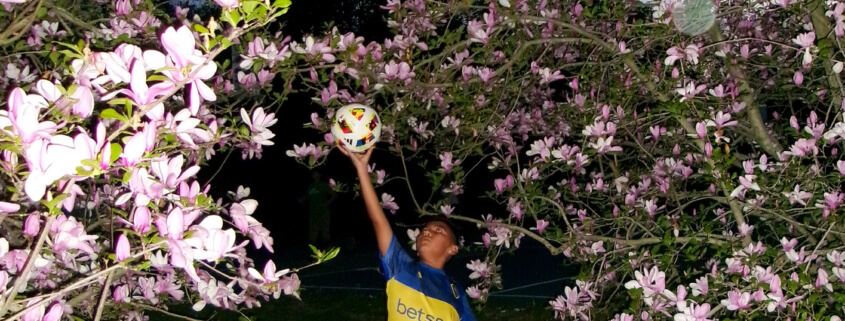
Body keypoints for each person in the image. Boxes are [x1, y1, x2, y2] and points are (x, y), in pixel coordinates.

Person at [338, 145, 477, 321]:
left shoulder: (455, 292)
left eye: (438, 230)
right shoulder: (400, 266)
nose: (427, 232)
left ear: (453, 249)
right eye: (425, 230)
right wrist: (361, 169)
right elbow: (379, 221)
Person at [306, 169, 336, 247]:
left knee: (325, 232)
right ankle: (313, 256)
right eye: (313, 174)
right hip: (313, 213)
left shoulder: (324, 185)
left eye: (316, 174)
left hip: (324, 212)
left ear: (319, 175)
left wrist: (327, 203)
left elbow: (334, 195)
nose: (315, 175)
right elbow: (307, 198)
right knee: (312, 234)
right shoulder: (310, 186)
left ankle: (329, 254)